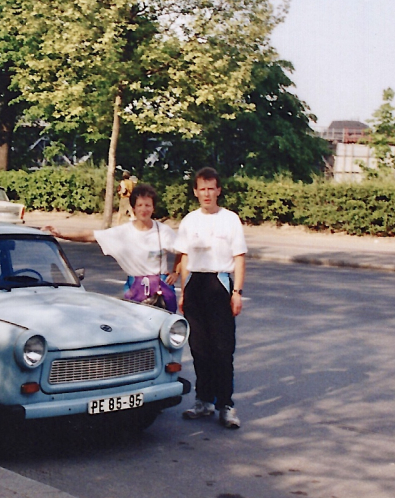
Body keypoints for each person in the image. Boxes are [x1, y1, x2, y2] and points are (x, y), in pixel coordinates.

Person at [174, 167, 246, 428]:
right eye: (201, 189)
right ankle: (203, 401)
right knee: (199, 349)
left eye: (211, 188)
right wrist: (183, 292)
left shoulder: (230, 219)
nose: (206, 193)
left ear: (218, 190)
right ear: (195, 191)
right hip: (195, 284)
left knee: (223, 349)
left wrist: (237, 292)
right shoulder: (189, 220)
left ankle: (226, 405)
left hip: (219, 284)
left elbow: (239, 258)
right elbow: (183, 259)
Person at [43, 183, 180, 309]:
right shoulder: (123, 232)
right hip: (136, 287)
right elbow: (91, 235)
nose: (144, 209)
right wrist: (61, 234)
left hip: (161, 287)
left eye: (148, 205)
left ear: (153, 208)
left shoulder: (163, 230)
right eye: (140, 205)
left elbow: (182, 249)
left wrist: (176, 272)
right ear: (133, 208)